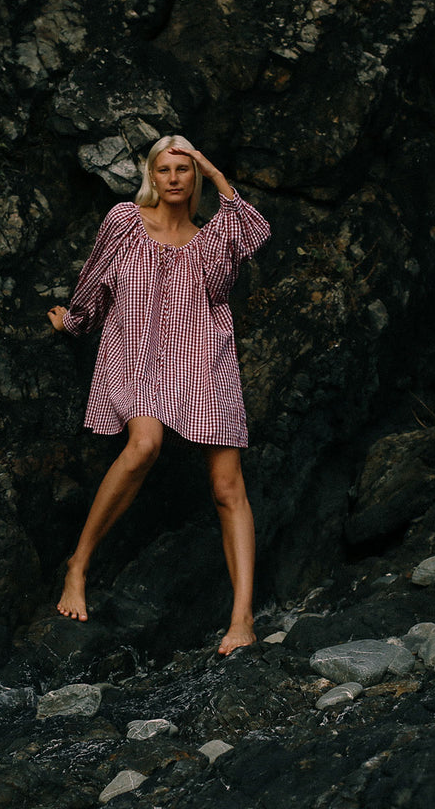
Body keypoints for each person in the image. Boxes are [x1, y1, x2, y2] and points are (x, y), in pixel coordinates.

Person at [48, 135, 270, 654]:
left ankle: (242, 620)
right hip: (137, 354)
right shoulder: (125, 220)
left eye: (184, 170)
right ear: (153, 174)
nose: (174, 177)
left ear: (195, 178)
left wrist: (214, 170)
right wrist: (75, 322)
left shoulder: (216, 237)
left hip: (203, 361)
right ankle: (78, 564)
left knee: (226, 486)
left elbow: (251, 232)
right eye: (165, 168)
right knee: (144, 445)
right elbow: (94, 278)